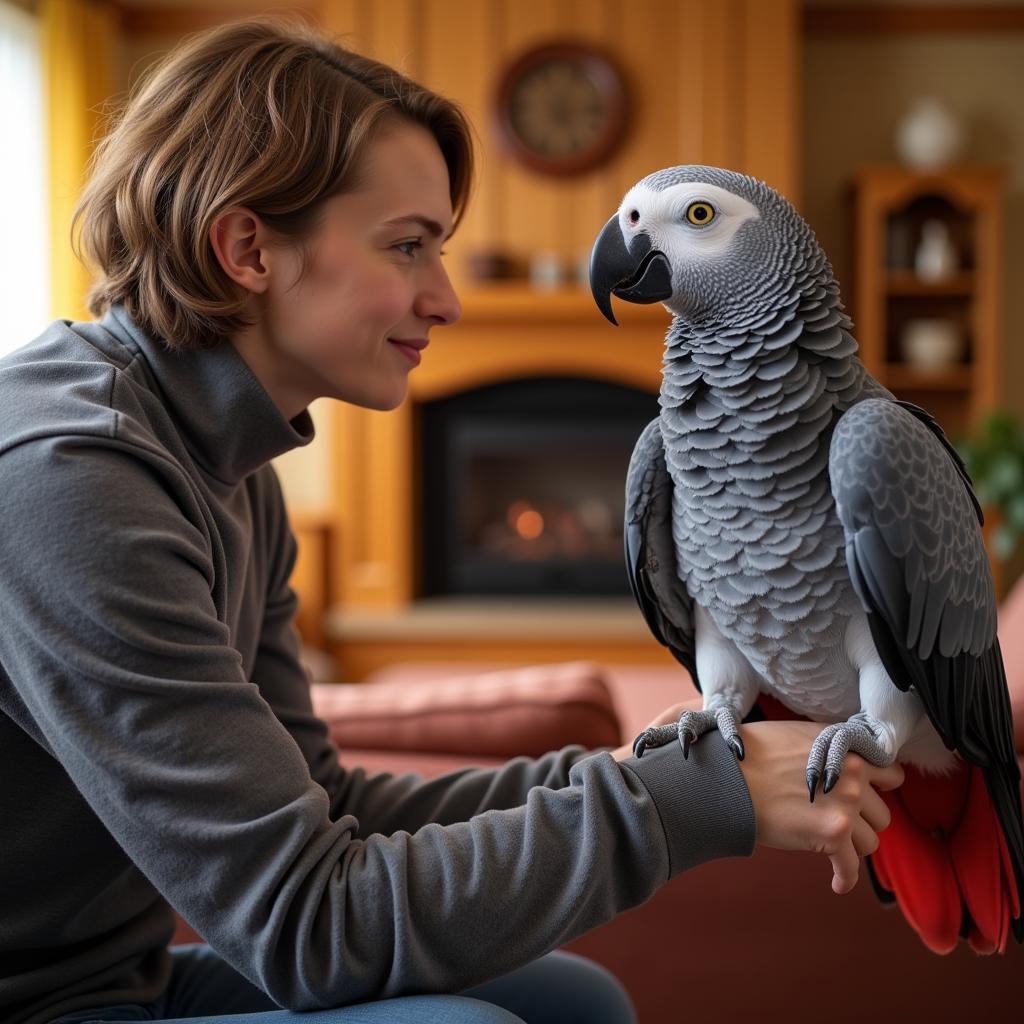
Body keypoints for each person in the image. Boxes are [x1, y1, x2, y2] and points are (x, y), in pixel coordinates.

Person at [0, 18, 904, 1024]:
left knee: (575, 1002)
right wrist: (687, 807)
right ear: (247, 246)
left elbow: (324, 811)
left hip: (112, 983)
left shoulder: (229, 456)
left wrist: (626, 773)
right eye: (407, 247)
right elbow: (311, 923)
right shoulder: (66, 475)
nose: (446, 299)